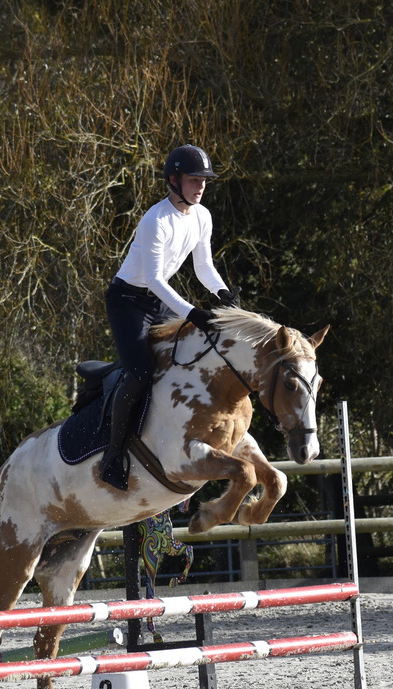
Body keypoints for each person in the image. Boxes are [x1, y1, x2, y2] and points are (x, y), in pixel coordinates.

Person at [99, 144, 237, 491]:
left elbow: (204, 266)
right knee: (142, 371)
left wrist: (223, 295)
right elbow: (157, 279)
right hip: (128, 302)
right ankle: (113, 455)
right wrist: (192, 312)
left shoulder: (202, 216)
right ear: (174, 181)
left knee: (185, 360)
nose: (201, 186)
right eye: (194, 180)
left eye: (204, 180)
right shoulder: (155, 220)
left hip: (158, 301)